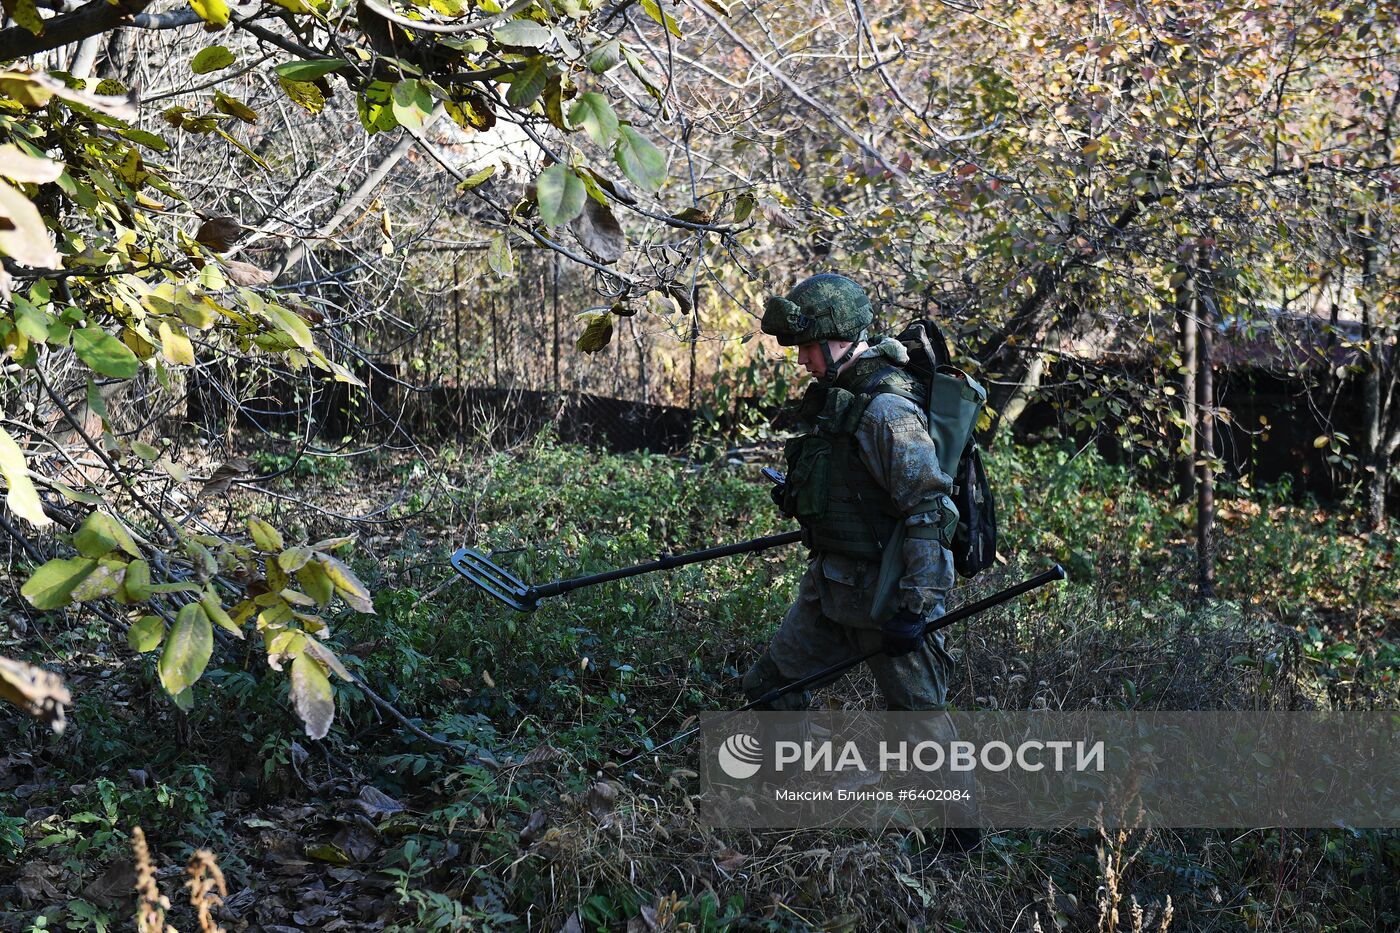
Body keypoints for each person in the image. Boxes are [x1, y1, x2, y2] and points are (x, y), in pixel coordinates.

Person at [742, 272, 978, 854]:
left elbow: (929, 509)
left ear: (836, 340)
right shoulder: (839, 401)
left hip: (888, 594)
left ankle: (963, 841)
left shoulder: (886, 410)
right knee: (771, 688)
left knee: (920, 721)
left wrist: (918, 606)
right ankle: (785, 805)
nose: (799, 360)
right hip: (831, 587)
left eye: (804, 347)